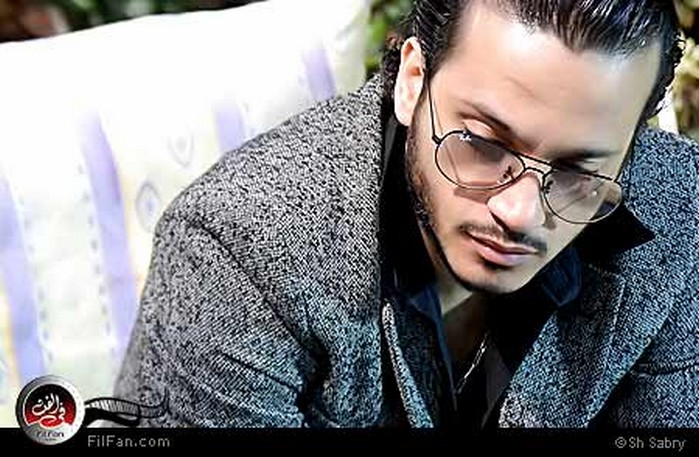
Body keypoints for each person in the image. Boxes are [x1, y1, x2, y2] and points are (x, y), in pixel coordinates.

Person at [115, 0, 698, 428]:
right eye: (482, 143)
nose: (520, 213)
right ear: (413, 81)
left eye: (576, 170)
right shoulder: (237, 253)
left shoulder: (681, 211)